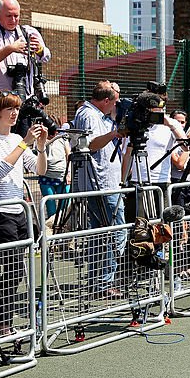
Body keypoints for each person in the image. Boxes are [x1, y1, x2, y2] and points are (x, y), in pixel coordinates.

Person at [0, 91, 48, 332]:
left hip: (20, 210)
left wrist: (41, 147)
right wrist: (25, 142)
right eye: (9, 109)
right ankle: (2, 321)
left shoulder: (16, 138)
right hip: (0, 210)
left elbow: (39, 169)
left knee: (18, 268)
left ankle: (2, 320)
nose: (15, 113)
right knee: (13, 269)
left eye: (16, 108)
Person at [72, 81, 128, 296]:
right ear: (106, 101)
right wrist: (115, 134)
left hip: (105, 182)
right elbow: (90, 144)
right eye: (115, 100)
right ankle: (104, 282)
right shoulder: (88, 114)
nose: (117, 104)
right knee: (117, 232)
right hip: (100, 183)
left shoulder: (99, 115)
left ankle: (99, 283)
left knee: (101, 235)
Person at [0, 0, 51, 103]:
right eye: (9, 16)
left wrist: (39, 50)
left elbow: (46, 56)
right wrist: (11, 48)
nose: (13, 20)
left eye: (16, 16)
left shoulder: (28, 31)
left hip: (24, 96)